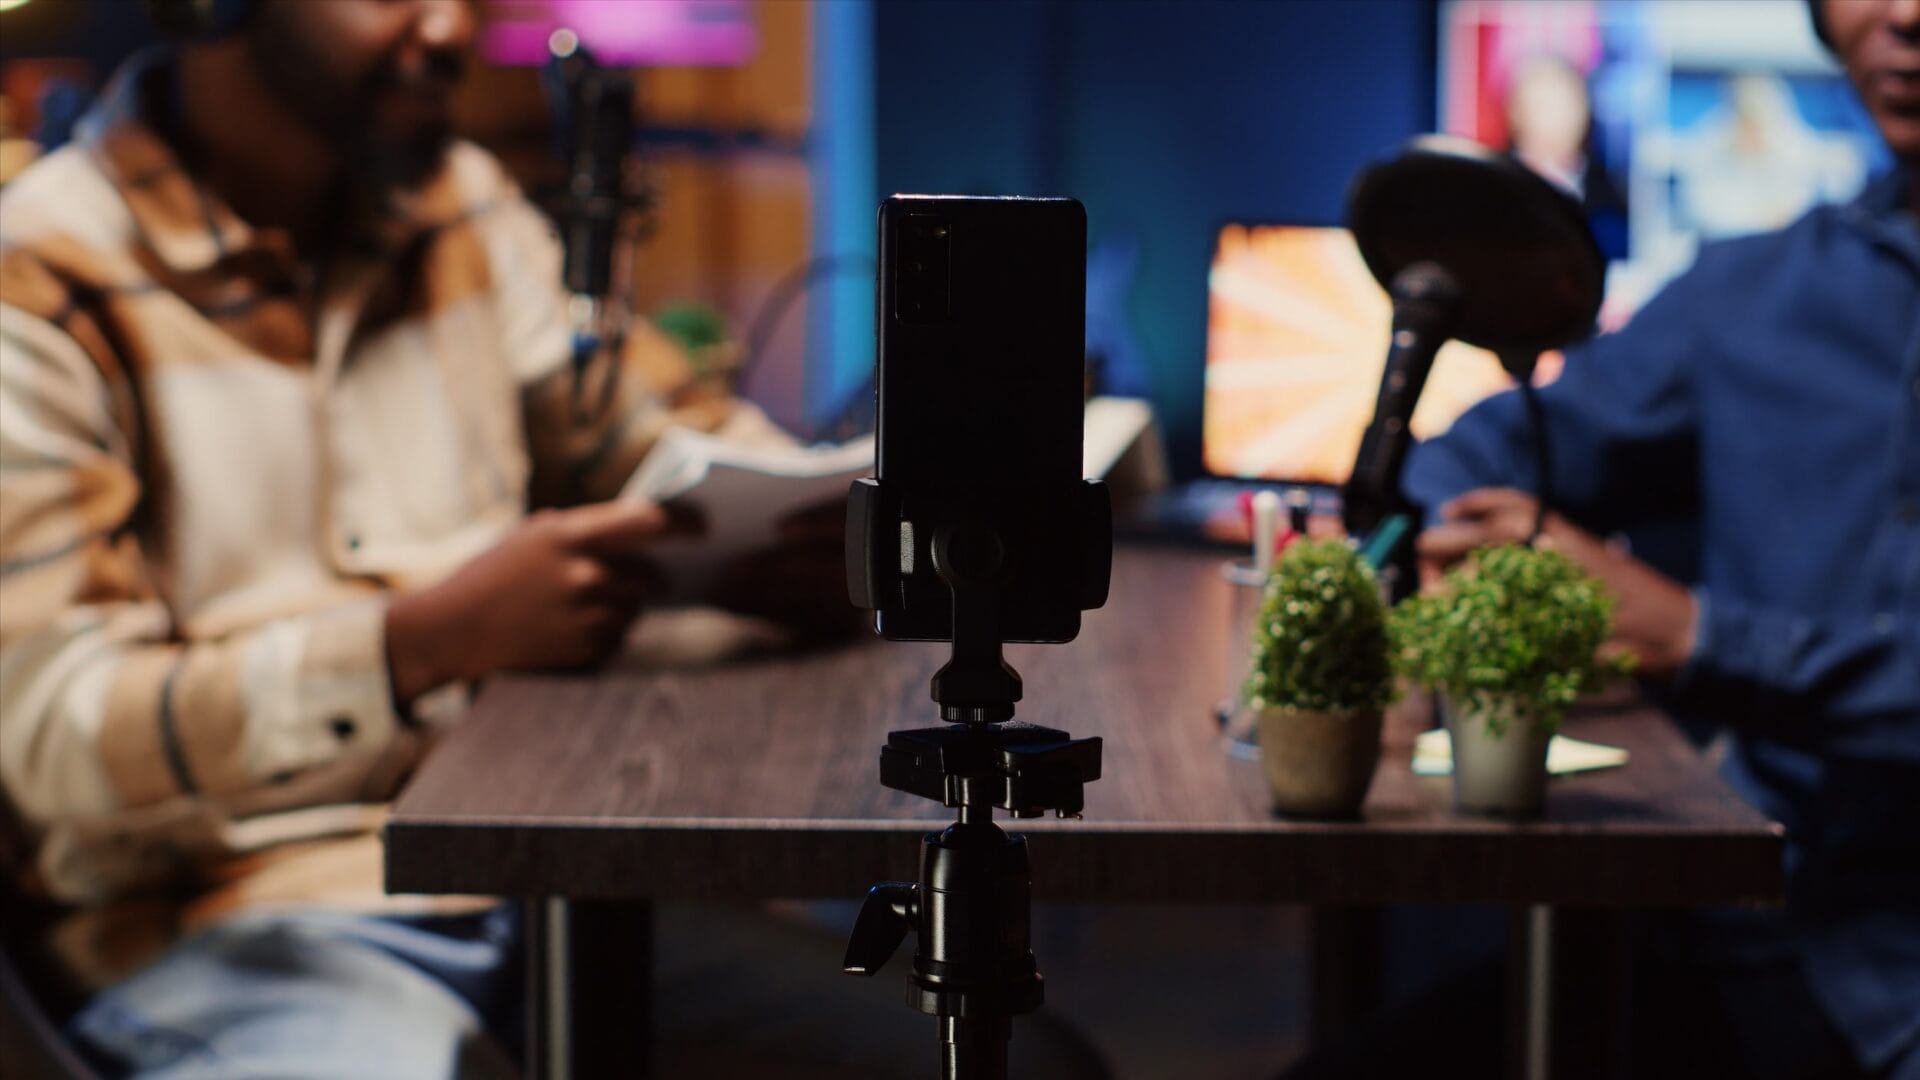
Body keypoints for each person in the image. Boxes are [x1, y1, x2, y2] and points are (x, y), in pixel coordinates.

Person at [0, 0, 846, 1073]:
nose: (450, 29)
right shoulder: (38, 278)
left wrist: (803, 525)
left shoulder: (461, 207)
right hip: (236, 923)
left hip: (536, 880)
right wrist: (420, 646)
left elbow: (652, 435)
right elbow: (52, 739)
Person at [1403, 0, 1920, 1075]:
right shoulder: (1754, 290)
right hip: (1735, 921)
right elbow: (1485, 456)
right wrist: (1429, 541)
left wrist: (1698, 636)